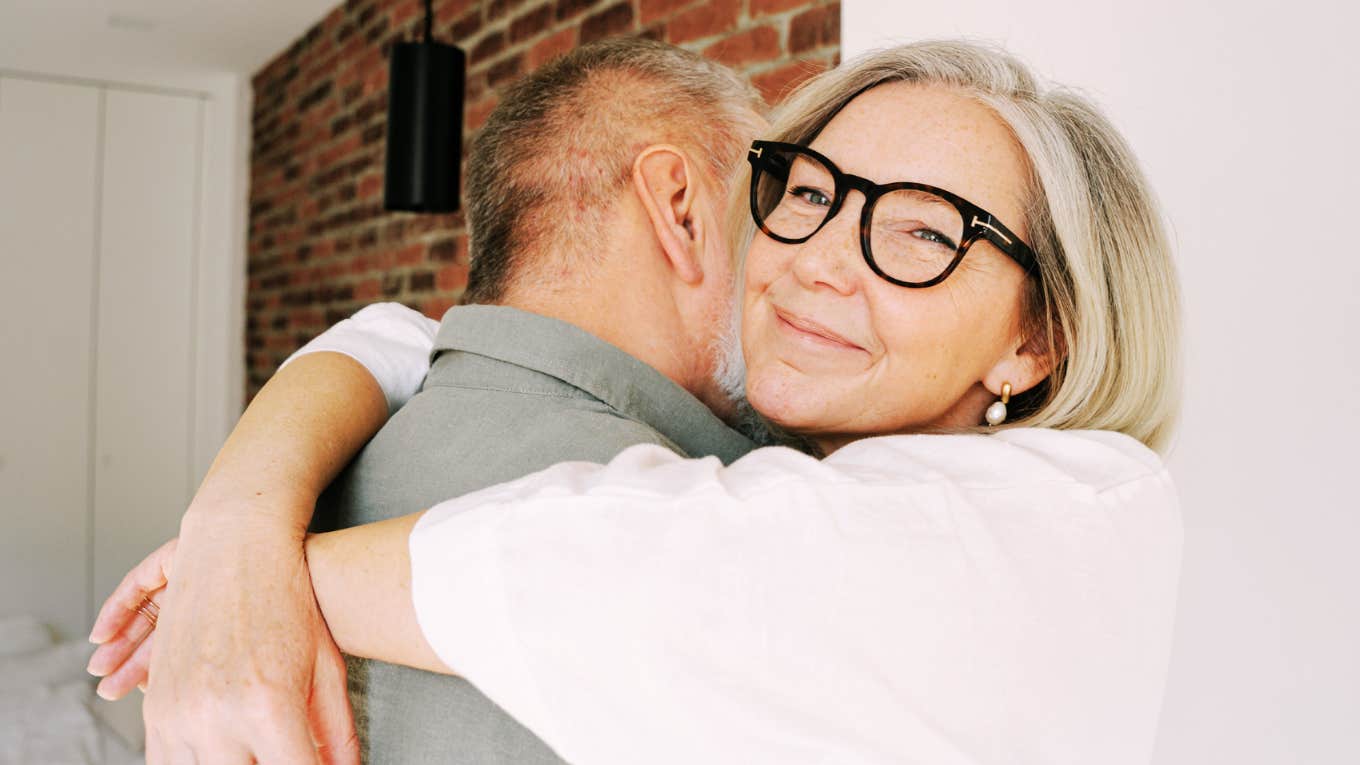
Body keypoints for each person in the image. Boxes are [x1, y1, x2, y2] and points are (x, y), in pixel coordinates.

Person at [91, 39, 1183, 763]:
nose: (814, 262)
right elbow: (405, 337)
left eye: (918, 232)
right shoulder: (770, 452)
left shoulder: (1080, 514)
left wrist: (240, 577)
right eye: (807, 194)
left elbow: (612, 572)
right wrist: (235, 520)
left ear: (1039, 341)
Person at [85, 37, 766, 765]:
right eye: (777, 200)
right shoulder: (745, 544)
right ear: (682, 211)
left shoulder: (287, 523)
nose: (799, 255)